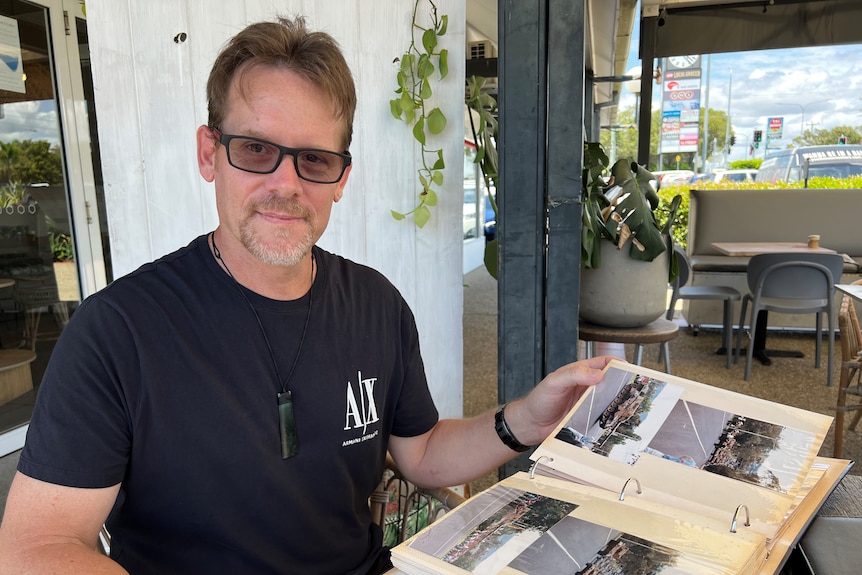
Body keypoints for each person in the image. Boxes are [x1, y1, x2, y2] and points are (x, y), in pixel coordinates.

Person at [0, 16, 612, 575]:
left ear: (341, 178)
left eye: (314, 159)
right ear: (209, 153)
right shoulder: (117, 331)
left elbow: (421, 452)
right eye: (257, 150)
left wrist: (524, 419)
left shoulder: (376, 305)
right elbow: (36, 547)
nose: (285, 184)